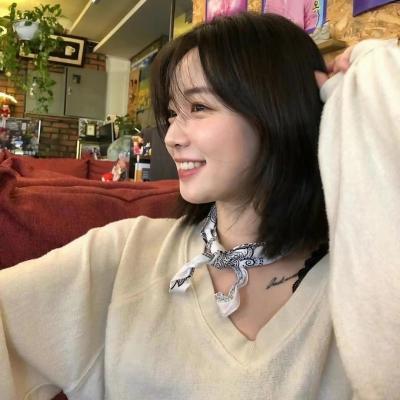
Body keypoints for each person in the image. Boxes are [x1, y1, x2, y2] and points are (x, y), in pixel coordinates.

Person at [0, 12, 399, 400]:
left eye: (199, 108)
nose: (171, 137)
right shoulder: (125, 254)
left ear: (278, 109)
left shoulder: (356, 285)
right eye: (173, 113)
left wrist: (377, 79)